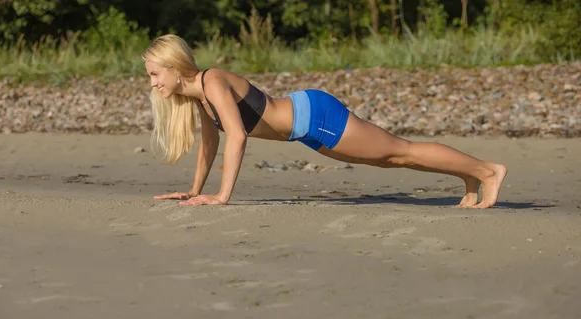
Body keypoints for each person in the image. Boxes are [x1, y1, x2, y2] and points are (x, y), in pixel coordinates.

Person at [142, 34, 507, 208]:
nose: (153, 82)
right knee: (390, 157)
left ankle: (488, 171)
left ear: (175, 67)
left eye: (156, 73)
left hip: (314, 115)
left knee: (398, 151)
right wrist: (194, 189)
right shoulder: (198, 98)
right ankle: (467, 175)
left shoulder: (213, 80)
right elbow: (211, 144)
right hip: (306, 131)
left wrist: (222, 197)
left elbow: (237, 136)